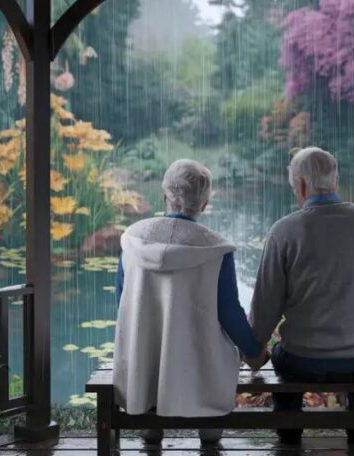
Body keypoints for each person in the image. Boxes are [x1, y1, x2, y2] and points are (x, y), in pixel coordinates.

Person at [113, 159, 269, 447]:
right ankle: (209, 435)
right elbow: (230, 313)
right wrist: (253, 352)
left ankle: (150, 431)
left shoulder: (132, 240)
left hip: (144, 358)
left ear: (164, 197)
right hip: (199, 360)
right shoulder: (216, 249)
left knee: (145, 350)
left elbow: (122, 304)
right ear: (204, 204)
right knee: (211, 357)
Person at [249, 147, 354, 446]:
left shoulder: (284, 231)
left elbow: (266, 306)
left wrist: (254, 348)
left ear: (301, 185)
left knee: (281, 354)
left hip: (304, 360)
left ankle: (289, 432)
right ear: (335, 179)